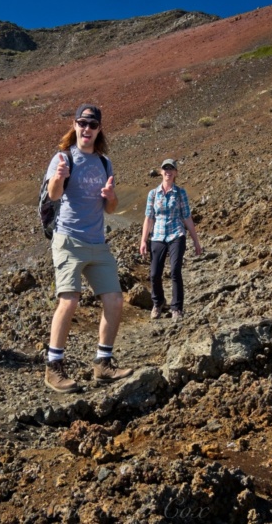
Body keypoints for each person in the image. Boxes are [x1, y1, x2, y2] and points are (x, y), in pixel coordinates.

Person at [42, 103, 133, 393]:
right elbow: (54, 195)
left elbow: (111, 207)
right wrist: (59, 176)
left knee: (115, 300)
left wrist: (111, 196)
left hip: (97, 242)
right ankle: (53, 367)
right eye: (83, 123)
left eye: (92, 125)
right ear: (75, 125)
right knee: (69, 300)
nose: (87, 129)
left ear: (99, 129)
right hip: (68, 240)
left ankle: (103, 363)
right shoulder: (63, 157)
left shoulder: (104, 163)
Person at [140, 158, 202, 322]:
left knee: (175, 271)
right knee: (154, 274)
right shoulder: (153, 194)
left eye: (171, 169)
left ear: (175, 173)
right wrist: (143, 240)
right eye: (165, 168)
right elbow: (149, 218)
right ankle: (158, 303)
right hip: (158, 236)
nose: (168, 171)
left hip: (176, 234)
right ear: (161, 172)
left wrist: (196, 241)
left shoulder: (180, 193)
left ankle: (177, 308)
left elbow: (187, 217)